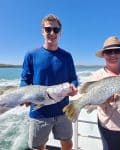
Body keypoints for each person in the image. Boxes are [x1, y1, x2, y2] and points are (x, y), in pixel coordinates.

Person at [20, 14, 78, 150]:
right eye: (48, 29)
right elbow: (24, 80)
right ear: (42, 31)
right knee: (39, 146)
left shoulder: (67, 56)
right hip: (39, 112)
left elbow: (73, 78)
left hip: (63, 110)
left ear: (60, 33)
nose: (52, 33)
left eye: (55, 30)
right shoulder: (31, 55)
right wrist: (25, 95)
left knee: (68, 143)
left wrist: (74, 87)